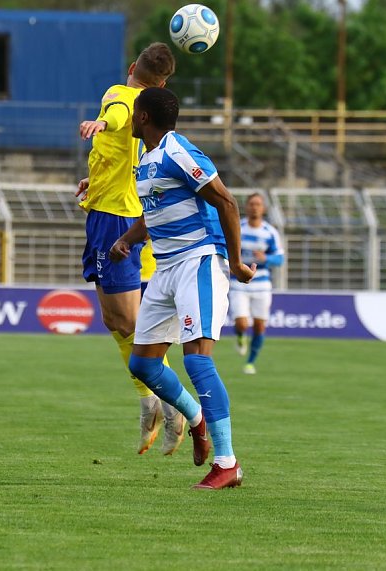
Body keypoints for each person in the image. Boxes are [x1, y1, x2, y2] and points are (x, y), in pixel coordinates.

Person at [111, 87, 256, 489]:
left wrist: (236, 262)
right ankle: (196, 418)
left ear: (143, 117)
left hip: (199, 262)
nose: (131, 118)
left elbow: (226, 202)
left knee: (197, 361)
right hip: (165, 269)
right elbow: (155, 211)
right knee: (143, 365)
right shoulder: (147, 159)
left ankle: (227, 464)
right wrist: (128, 239)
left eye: (134, 112)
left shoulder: (179, 152)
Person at [77, 43, 185, 456]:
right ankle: (152, 399)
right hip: (129, 212)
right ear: (162, 84)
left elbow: (117, 114)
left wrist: (101, 123)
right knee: (116, 320)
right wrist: (96, 178)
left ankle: (170, 404)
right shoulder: (152, 111)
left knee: (127, 321)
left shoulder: (120, 96)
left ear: (132, 67)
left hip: (116, 219)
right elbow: (127, 153)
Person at [229, 193, 285, 375]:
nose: (254, 207)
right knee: (242, 323)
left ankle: (250, 362)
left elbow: (280, 259)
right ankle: (240, 336)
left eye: (258, 204)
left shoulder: (270, 232)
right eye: (252, 204)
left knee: (259, 326)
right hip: (239, 283)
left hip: (261, 284)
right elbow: (226, 249)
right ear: (246, 207)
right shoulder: (238, 227)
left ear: (264, 208)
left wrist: (266, 258)